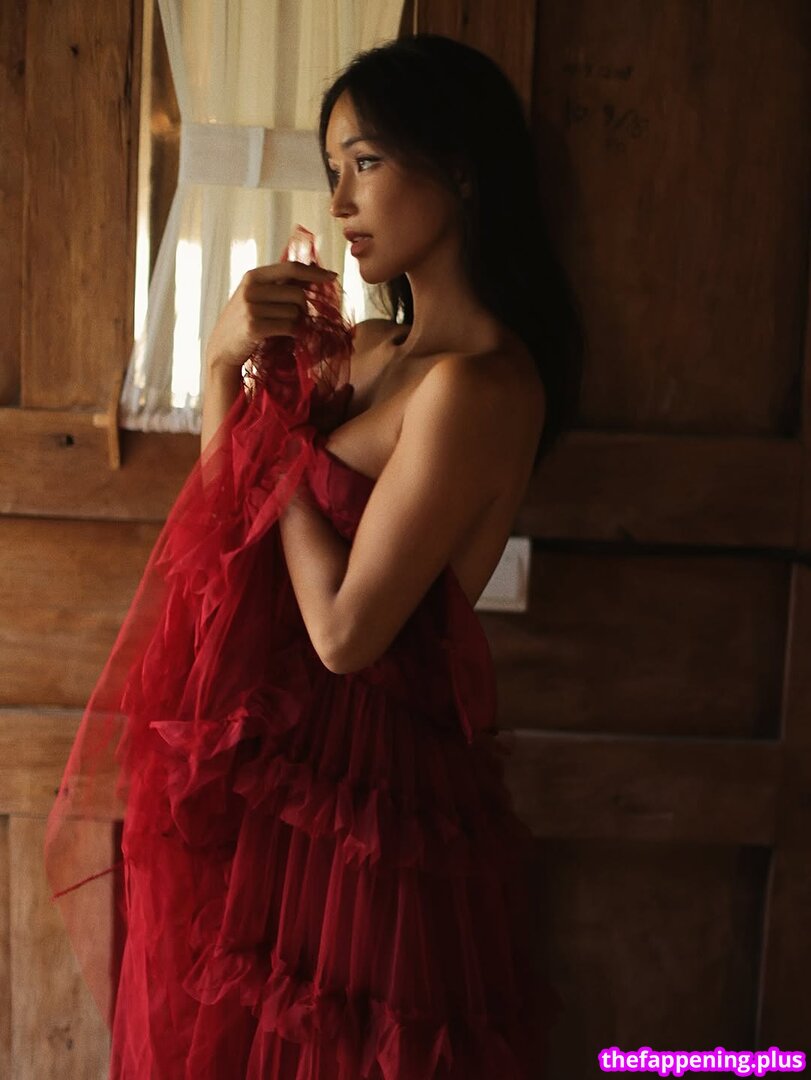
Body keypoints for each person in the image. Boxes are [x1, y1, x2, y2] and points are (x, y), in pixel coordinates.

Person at [45, 32, 583, 1079]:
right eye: (331, 169)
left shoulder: (480, 386)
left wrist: (280, 443)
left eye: (365, 163)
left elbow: (342, 633)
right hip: (279, 761)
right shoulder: (374, 349)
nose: (339, 201)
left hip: (371, 802)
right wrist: (221, 369)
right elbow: (229, 524)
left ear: (460, 169)